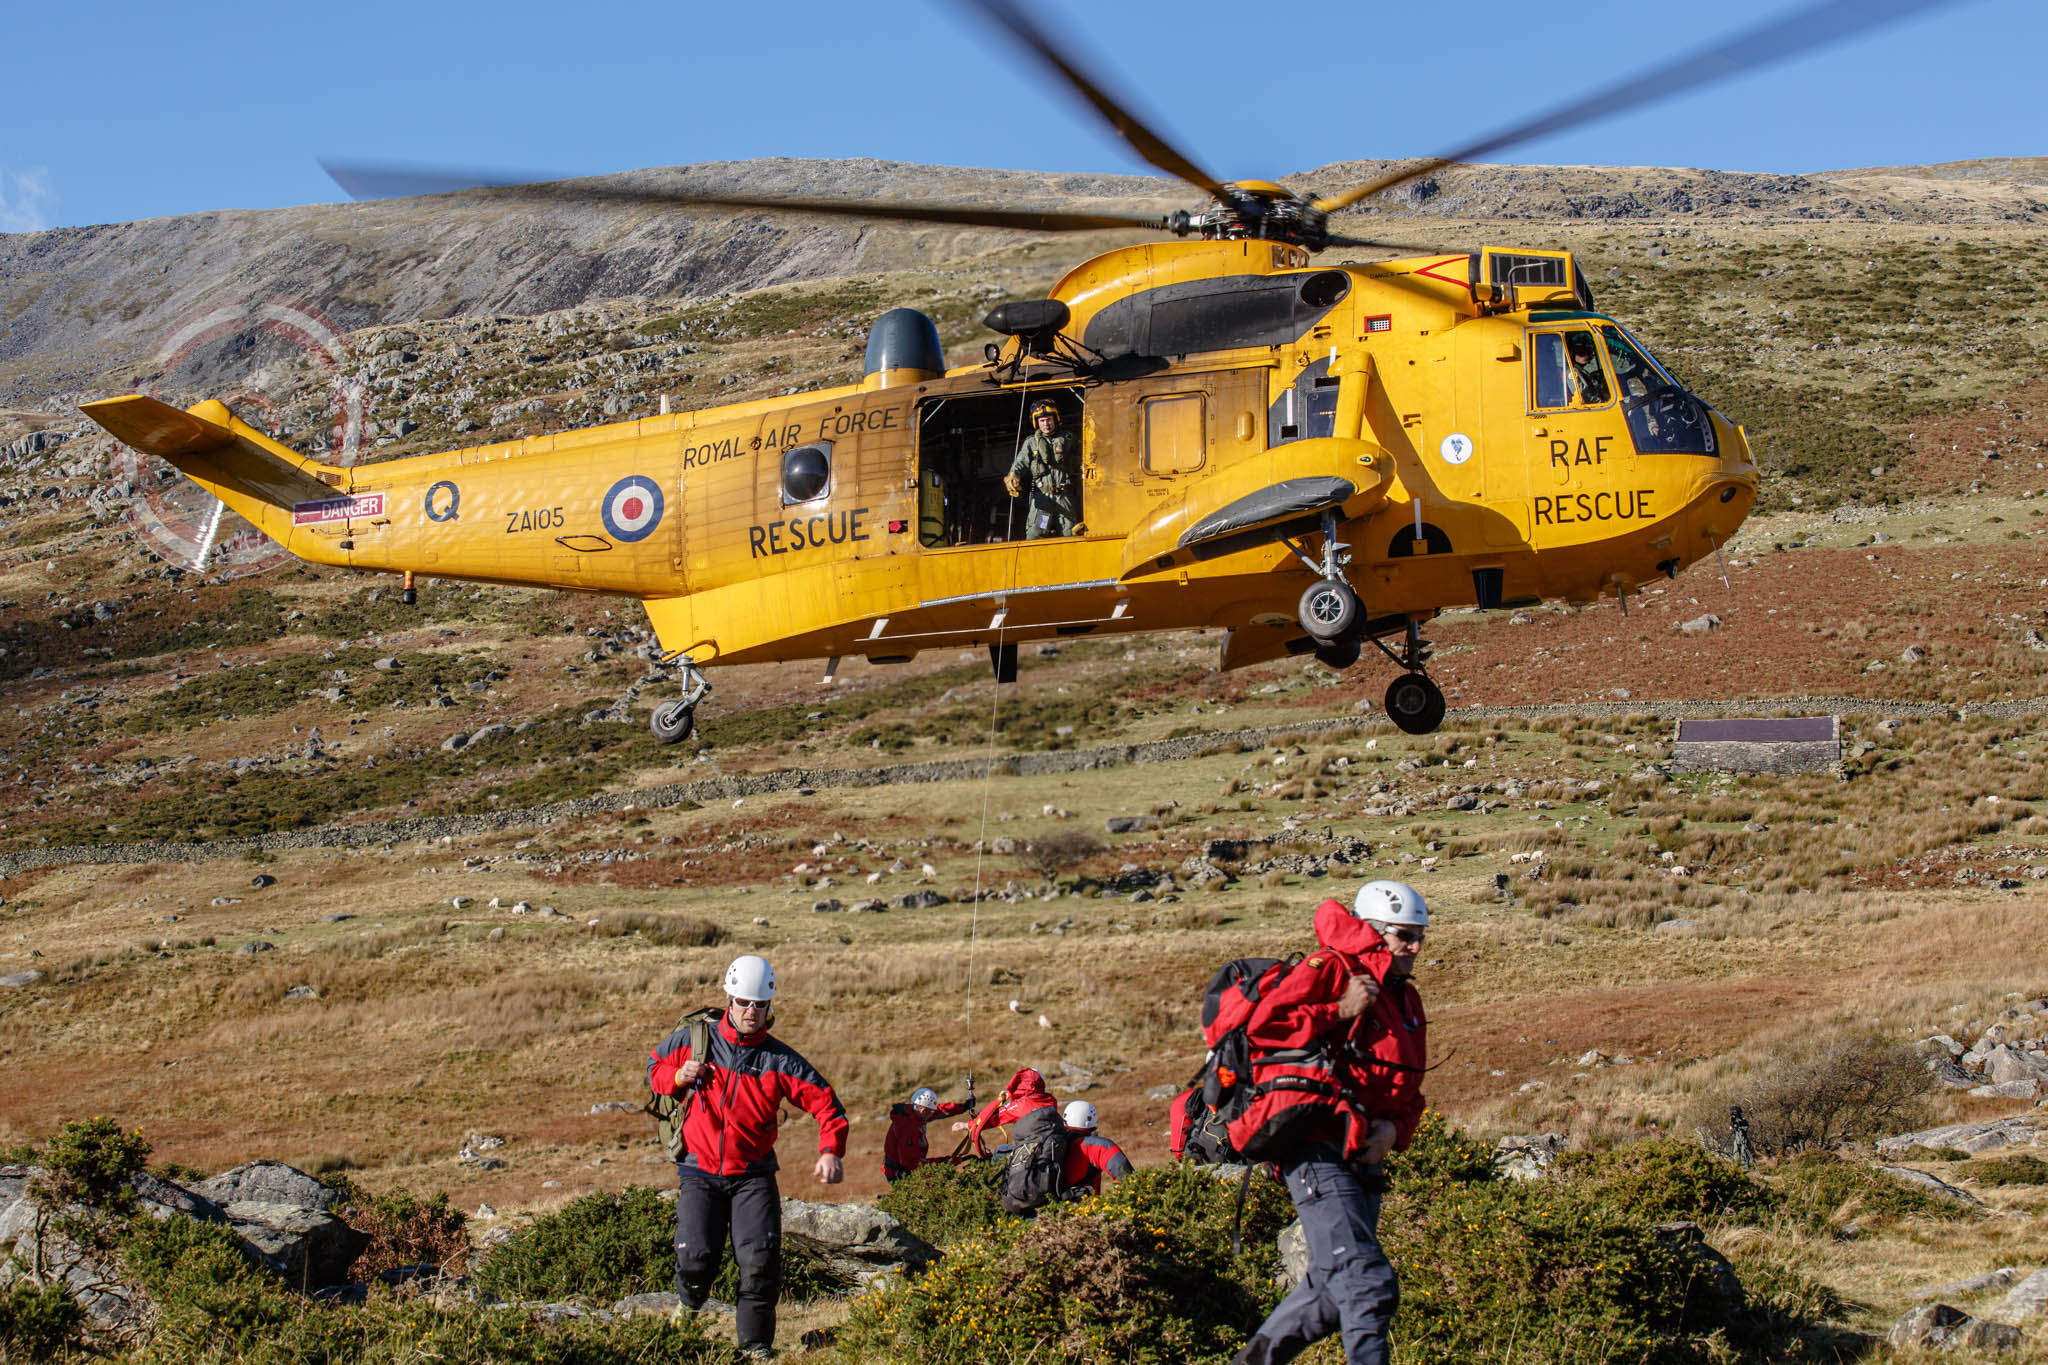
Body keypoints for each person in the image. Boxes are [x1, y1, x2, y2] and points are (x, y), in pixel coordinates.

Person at [1230, 880, 1430, 1365]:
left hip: (1363, 1159)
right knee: (1366, 1281)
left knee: (1326, 1293)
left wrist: (1394, 1132)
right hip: (1315, 1148)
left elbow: (1409, 1088)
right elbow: (1262, 1030)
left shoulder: (1407, 999)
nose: (1416, 946)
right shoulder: (1330, 970)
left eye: (1421, 935)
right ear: (1376, 932)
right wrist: (1337, 1010)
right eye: (1405, 935)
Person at [647, 954, 847, 1360]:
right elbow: (654, 1068)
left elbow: (828, 1106)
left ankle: (756, 1349)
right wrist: (676, 1077)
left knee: (759, 1261)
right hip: (698, 1171)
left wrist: (830, 1152)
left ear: (769, 1006)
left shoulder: (781, 1060)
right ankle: (686, 1317)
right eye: (743, 1003)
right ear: (729, 998)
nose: (751, 1012)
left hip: (753, 1175)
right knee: (695, 1258)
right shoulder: (694, 1040)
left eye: (760, 1005)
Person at [1003, 399, 1082, 540]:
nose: (1046, 424)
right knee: (1037, 532)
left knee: (1071, 533)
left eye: (1049, 419)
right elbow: (1020, 462)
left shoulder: (1068, 438)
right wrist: (1013, 476)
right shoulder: (1031, 442)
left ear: (1055, 419)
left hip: (1064, 496)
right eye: (1042, 421)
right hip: (1044, 499)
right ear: (1037, 423)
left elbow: (1083, 457)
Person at [954, 1066, 1058, 1153]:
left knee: (1000, 1151)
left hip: (1029, 1151)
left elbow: (993, 1118)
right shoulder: (1052, 1100)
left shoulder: (1018, 1106)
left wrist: (967, 1125)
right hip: (1052, 1147)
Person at [883, 1086, 969, 1183]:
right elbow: (912, 1164)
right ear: (923, 1111)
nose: (932, 1114)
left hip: (907, 1168)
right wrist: (945, 1162)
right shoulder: (907, 1129)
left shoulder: (913, 1112)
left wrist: (963, 1107)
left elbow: (939, 1111)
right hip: (899, 1174)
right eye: (930, 1112)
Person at [1058, 1100, 1133, 1199]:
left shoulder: (1055, 1142)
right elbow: (1125, 1175)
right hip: (1082, 1210)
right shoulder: (1096, 1146)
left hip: (1046, 1208)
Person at [1566, 332, 1610, 405]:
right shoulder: (1572, 372)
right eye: (1581, 352)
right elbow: (1582, 398)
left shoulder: (1580, 371)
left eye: (1589, 351)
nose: (1586, 355)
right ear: (1571, 352)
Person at [1729, 1106, 1755, 1170]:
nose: (1733, 1116)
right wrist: (1732, 1127)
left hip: (1743, 1139)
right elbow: (1732, 1128)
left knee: (1744, 1152)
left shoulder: (1743, 1120)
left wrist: (1741, 1125)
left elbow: (1746, 1128)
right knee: (1736, 1151)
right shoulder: (1733, 1120)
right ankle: (1735, 1167)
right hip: (1737, 1139)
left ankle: (1745, 1168)